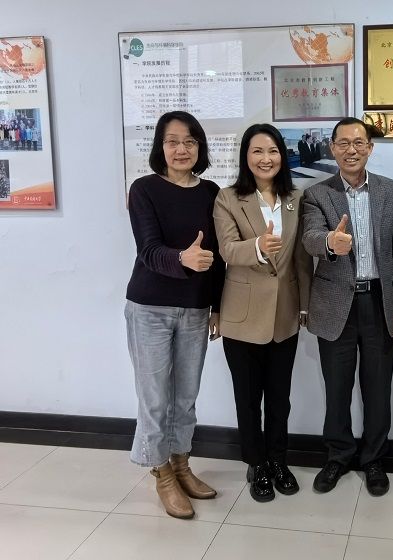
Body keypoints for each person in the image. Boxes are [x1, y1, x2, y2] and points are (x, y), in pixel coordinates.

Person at [301, 117, 393, 497]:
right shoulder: (317, 194)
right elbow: (310, 237)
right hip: (335, 305)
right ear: (332, 148)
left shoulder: (392, 191)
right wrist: (330, 243)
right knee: (337, 388)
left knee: (378, 388)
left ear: (370, 148)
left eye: (359, 143)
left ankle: (374, 458)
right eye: (343, 143)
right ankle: (339, 455)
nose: (351, 150)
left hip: (380, 301)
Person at [124, 110, 224, 519]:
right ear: (160, 147)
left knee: (185, 397)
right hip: (149, 307)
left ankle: (182, 464)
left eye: (189, 142)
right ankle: (161, 472)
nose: (181, 149)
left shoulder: (211, 192)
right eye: (172, 141)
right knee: (155, 399)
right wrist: (182, 258)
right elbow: (148, 250)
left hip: (196, 309)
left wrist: (217, 305)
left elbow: (218, 257)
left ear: (200, 147)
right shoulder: (144, 189)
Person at [213, 124, 312, 502]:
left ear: (282, 155)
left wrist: (304, 304)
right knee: (248, 397)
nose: (265, 158)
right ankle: (256, 465)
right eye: (257, 151)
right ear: (246, 157)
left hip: (285, 315)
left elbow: (301, 259)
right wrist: (257, 245)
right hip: (241, 316)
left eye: (272, 151)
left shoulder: (296, 198)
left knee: (280, 398)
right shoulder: (228, 198)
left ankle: (278, 461)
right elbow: (226, 249)